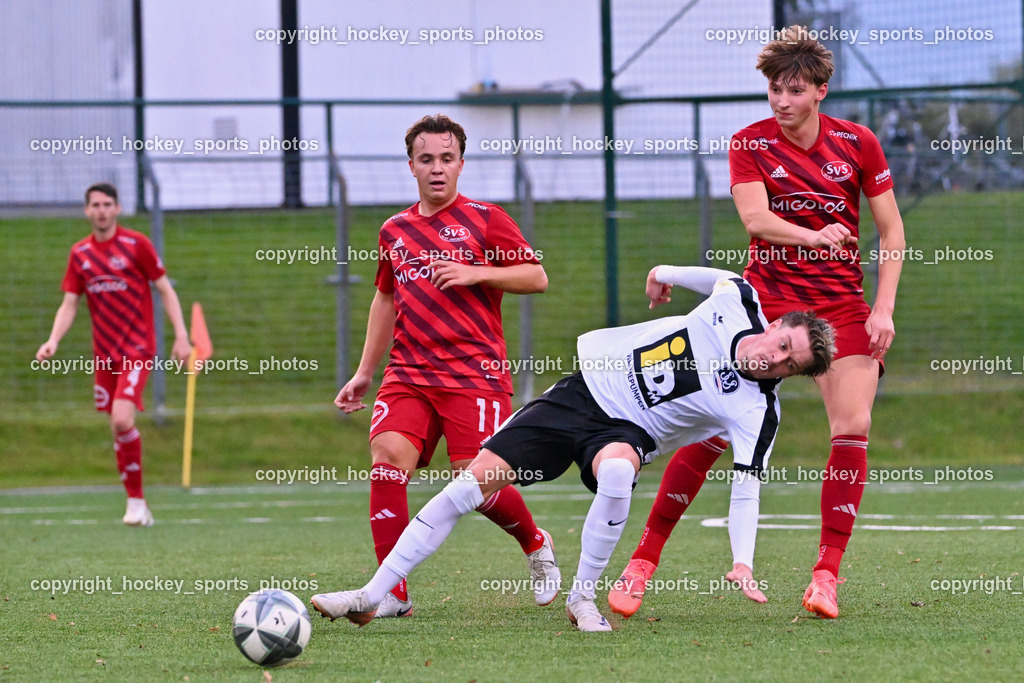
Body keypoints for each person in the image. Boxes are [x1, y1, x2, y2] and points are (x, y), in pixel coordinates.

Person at [311, 265, 836, 632]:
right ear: (776, 324)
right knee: (470, 485)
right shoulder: (739, 301)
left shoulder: (758, 411)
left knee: (615, 475)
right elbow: (719, 278)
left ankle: (582, 599)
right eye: (783, 346)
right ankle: (372, 594)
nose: (775, 360)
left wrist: (742, 561)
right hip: (582, 392)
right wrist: (664, 273)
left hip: (626, 433)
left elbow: (746, 489)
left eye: (789, 366)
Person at [609, 25, 906, 620]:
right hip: (766, 305)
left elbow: (892, 231)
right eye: (774, 88)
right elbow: (757, 220)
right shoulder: (750, 142)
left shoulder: (860, 143)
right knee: (716, 428)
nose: (781, 100)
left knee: (854, 426)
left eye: (794, 89)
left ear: (821, 90)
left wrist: (883, 308)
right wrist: (814, 235)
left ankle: (826, 576)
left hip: (842, 307)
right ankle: (642, 563)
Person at [333, 114, 558, 619]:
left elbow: (536, 277)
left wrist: (477, 272)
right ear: (411, 165)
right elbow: (385, 300)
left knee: (474, 485)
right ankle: (392, 593)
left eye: (447, 159)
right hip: (408, 372)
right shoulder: (394, 230)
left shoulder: (486, 218)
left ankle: (535, 542)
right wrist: (365, 371)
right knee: (387, 461)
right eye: (427, 159)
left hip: (472, 373)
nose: (438, 168)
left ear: (461, 163)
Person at [35, 182, 192, 527]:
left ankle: (136, 504)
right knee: (117, 426)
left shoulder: (136, 245)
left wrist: (181, 336)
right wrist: (53, 340)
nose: (102, 210)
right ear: (87, 210)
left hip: (137, 348)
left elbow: (165, 289)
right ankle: (138, 503)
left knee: (122, 418)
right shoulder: (80, 254)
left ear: (118, 208)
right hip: (104, 354)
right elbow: (70, 302)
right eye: (95, 205)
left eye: (108, 203)